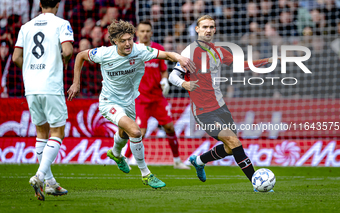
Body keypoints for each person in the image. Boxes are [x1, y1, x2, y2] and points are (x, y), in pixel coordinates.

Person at [67, 20, 195, 189]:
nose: (128, 43)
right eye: (123, 40)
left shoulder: (139, 50)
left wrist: (179, 57)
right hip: (109, 102)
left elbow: (165, 55)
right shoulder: (104, 53)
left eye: (129, 39)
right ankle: (146, 174)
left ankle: (115, 153)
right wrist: (76, 83)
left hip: (129, 102)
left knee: (124, 133)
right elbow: (80, 56)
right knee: (135, 131)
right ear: (114, 41)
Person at [168, 15, 275, 192]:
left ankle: (199, 160)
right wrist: (184, 83)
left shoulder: (218, 51)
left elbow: (241, 65)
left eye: (211, 27)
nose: (208, 30)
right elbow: (173, 76)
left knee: (229, 147)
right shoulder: (189, 51)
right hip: (202, 110)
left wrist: (266, 61)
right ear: (197, 29)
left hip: (220, 106)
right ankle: (257, 183)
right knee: (234, 141)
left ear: (215, 29)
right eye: (204, 27)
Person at [12, 0, 73, 200]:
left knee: (41, 132)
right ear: (57, 5)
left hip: (31, 86)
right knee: (57, 132)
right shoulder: (62, 23)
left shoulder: (25, 26)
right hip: (51, 84)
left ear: (39, 4)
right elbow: (67, 51)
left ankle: (50, 183)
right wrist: (63, 63)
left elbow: (16, 57)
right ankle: (38, 176)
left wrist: (29, 72)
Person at [125, 20, 190, 169]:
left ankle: (177, 161)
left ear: (151, 32)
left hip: (158, 98)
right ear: (137, 33)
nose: (145, 34)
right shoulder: (131, 50)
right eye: (142, 31)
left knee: (170, 128)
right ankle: (125, 159)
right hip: (141, 98)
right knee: (138, 132)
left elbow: (163, 70)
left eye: (148, 31)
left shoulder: (158, 49)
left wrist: (164, 80)